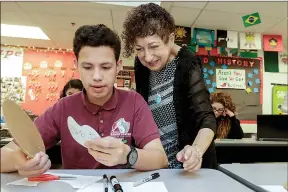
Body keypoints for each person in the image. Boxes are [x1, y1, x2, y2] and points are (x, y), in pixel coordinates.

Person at [1, 24, 168, 176]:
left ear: (118, 66)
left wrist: (128, 154)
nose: (96, 77)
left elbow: (160, 158)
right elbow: (6, 154)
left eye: (105, 67)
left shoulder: (133, 102)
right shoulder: (63, 107)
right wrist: (19, 161)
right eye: (87, 67)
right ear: (77, 65)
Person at [121, 3, 217, 172]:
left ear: (171, 39)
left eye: (154, 46)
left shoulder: (188, 63)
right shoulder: (141, 64)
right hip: (154, 161)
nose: (148, 57)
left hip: (185, 164)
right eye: (139, 49)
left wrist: (196, 151)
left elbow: (206, 118)